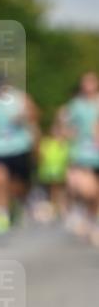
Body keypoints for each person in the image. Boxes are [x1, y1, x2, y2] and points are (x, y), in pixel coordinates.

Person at [0, 79, 38, 234]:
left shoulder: (20, 98)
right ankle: (1, 216)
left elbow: (34, 114)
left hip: (19, 147)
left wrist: (24, 116)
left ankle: (19, 204)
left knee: (20, 184)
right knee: (0, 181)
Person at [60, 71, 99, 241]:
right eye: (86, 83)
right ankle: (83, 214)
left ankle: (92, 221)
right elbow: (65, 127)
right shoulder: (75, 105)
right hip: (82, 152)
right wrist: (68, 134)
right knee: (89, 191)